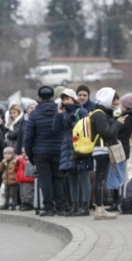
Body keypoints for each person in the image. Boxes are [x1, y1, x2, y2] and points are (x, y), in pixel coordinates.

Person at [24, 86, 67, 216]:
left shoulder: (34, 114)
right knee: (58, 179)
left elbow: (28, 136)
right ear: (53, 97)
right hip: (58, 150)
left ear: (39, 98)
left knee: (45, 180)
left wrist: (30, 154)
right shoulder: (60, 111)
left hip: (41, 152)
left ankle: (48, 207)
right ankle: (61, 207)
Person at [53, 88, 92, 216]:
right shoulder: (63, 113)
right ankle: (74, 206)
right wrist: (58, 114)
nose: (66, 101)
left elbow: (86, 130)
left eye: (68, 98)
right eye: (63, 99)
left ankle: (85, 207)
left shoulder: (81, 111)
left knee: (83, 177)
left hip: (80, 148)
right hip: (67, 148)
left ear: (73, 98)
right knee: (72, 179)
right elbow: (56, 129)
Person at [91, 87, 126, 220]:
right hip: (101, 149)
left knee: (101, 179)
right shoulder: (99, 114)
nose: (114, 106)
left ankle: (100, 209)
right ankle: (99, 210)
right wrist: (117, 123)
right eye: (113, 103)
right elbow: (106, 132)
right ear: (107, 100)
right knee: (100, 179)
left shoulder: (102, 113)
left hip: (102, 149)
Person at [105, 93, 132, 211]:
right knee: (119, 174)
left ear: (125, 105)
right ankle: (120, 200)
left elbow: (115, 131)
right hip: (124, 149)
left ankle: (118, 201)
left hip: (118, 150)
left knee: (116, 175)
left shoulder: (125, 118)